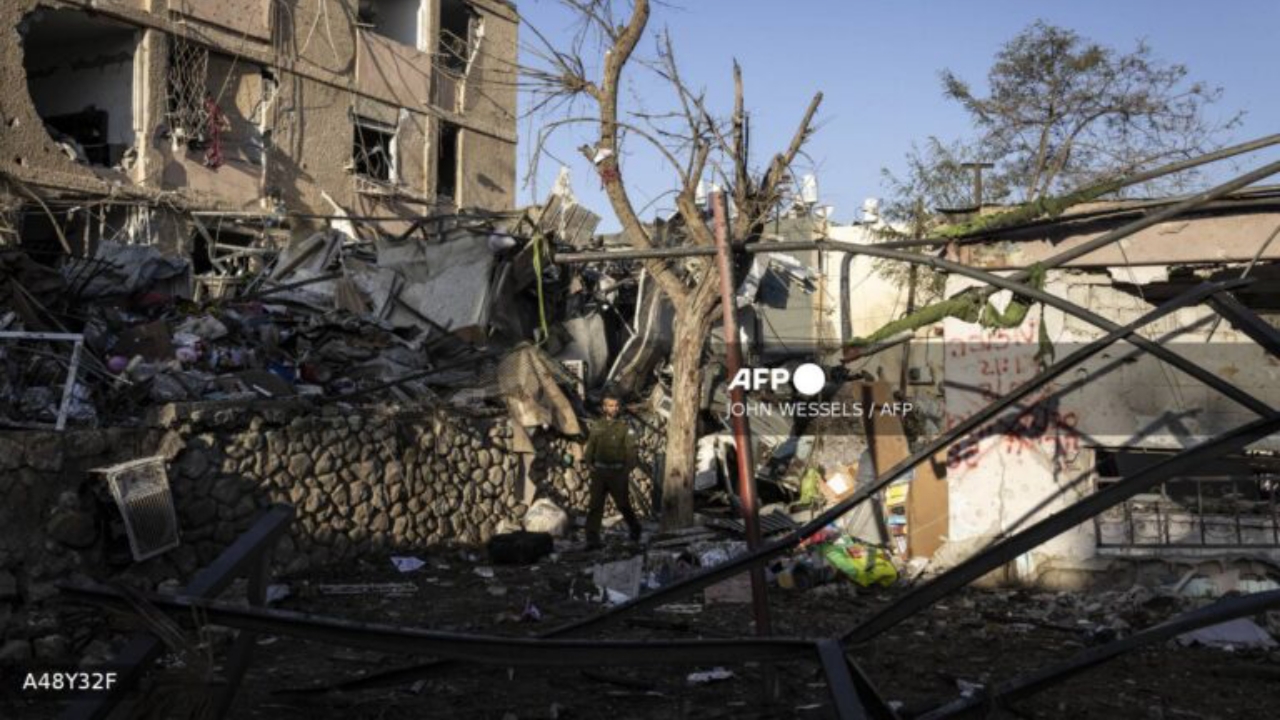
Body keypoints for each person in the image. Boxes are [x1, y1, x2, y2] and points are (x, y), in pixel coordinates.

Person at [582, 388, 643, 548]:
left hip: (617, 472)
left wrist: (626, 470)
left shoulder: (624, 427)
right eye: (609, 405)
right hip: (600, 472)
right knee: (595, 506)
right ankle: (592, 539)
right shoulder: (597, 425)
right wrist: (589, 463)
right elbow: (591, 446)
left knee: (623, 504)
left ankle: (635, 529)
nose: (613, 408)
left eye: (615, 406)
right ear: (604, 407)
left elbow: (631, 450)